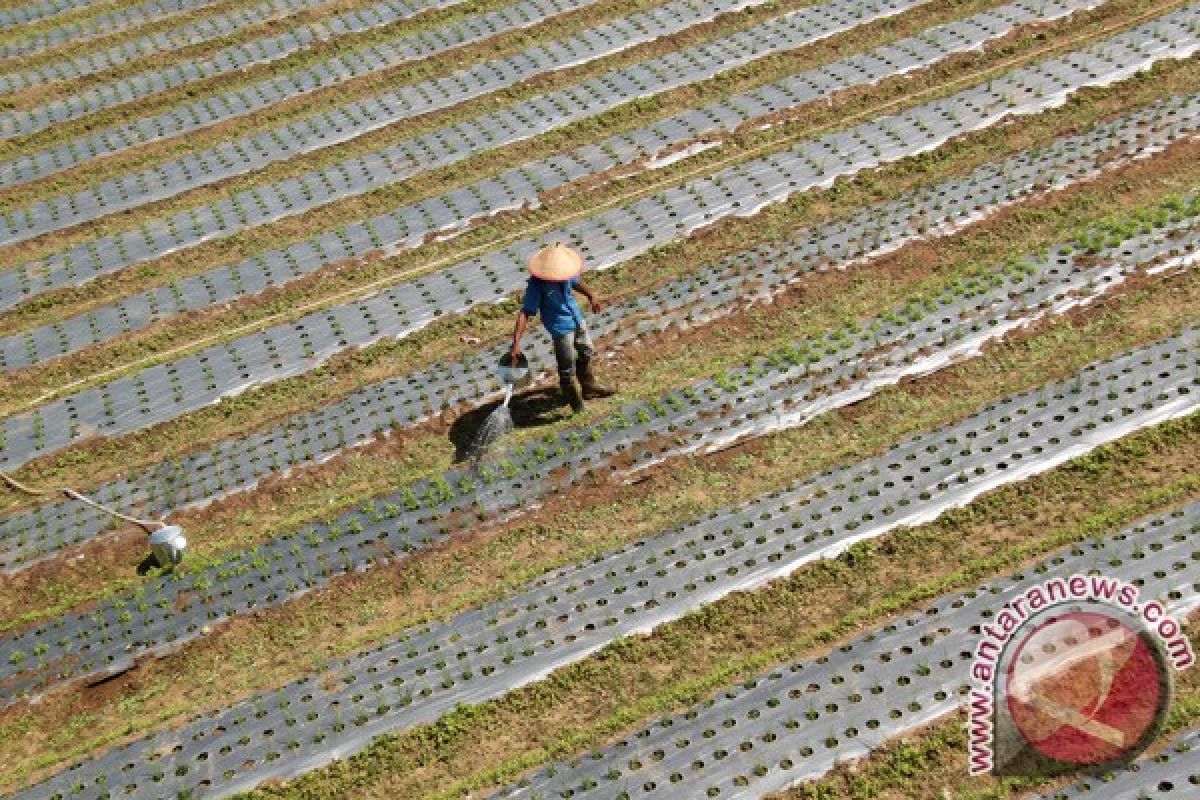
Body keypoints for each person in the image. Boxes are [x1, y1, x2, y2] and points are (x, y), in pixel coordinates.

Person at [510, 243, 615, 412]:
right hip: (561, 328)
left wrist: (591, 296)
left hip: (576, 318)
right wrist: (516, 342)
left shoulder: (564, 273)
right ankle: (577, 405)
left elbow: (576, 283)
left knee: (586, 350)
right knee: (567, 368)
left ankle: (589, 387)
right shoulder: (537, 286)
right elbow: (525, 313)